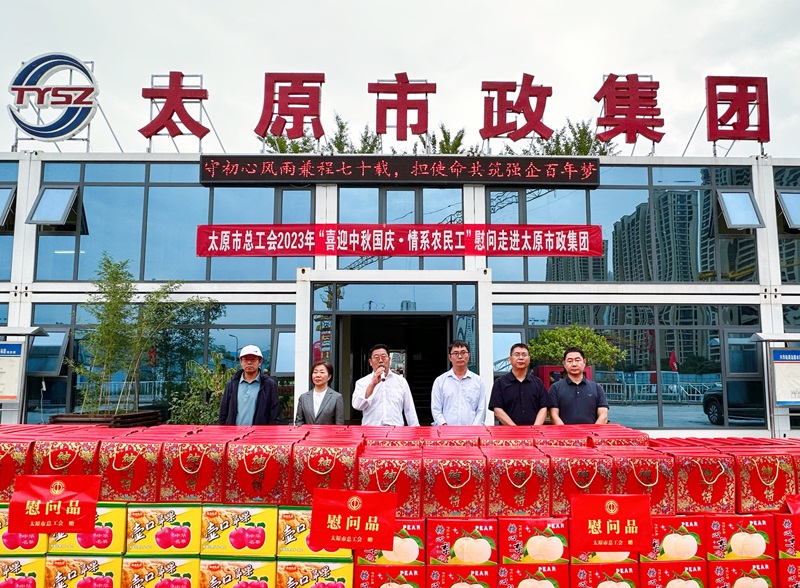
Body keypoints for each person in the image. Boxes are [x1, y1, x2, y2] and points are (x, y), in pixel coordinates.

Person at [352, 343, 420, 426]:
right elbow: (357, 406)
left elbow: (409, 409)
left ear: (389, 360)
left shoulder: (401, 381)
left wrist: (415, 428)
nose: (380, 360)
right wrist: (372, 384)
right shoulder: (362, 382)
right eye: (376, 357)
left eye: (384, 356)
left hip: (395, 429)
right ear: (370, 362)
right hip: (371, 429)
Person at [488, 343, 549, 426]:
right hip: (507, 432)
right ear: (510, 359)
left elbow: (544, 408)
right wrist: (515, 429)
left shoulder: (538, 383)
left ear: (529, 359)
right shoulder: (500, 383)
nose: (521, 358)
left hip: (534, 432)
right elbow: (497, 410)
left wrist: (535, 428)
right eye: (517, 355)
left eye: (524, 355)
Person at [218, 344, 279, 425]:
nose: (249, 362)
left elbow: (274, 415)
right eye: (245, 360)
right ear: (240, 361)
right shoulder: (232, 384)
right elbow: (223, 413)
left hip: (259, 432)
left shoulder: (269, 385)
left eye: (253, 359)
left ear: (260, 361)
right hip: (233, 431)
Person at [430, 340, 487, 426]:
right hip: (446, 431)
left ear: (469, 355)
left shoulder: (478, 382)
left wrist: (474, 428)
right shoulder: (440, 381)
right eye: (456, 353)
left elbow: (481, 410)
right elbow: (436, 409)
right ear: (450, 357)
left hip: (472, 431)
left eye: (463, 353)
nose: (460, 356)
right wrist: (444, 425)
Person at [548, 346, 609, 425]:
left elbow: (603, 416)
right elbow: (553, 415)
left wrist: (593, 432)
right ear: (564, 364)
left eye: (577, 360)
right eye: (569, 361)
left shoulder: (597, 388)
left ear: (584, 362)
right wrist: (565, 431)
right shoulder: (555, 388)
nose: (574, 364)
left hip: (592, 432)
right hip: (564, 432)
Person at [295, 360, 345, 425]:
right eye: (315, 372)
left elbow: (339, 424)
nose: (318, 375)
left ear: (329, 376)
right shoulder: (303, 398)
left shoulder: (336, 397)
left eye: (322, 372)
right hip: (307, 431)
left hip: (328, 432)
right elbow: (299, 422)